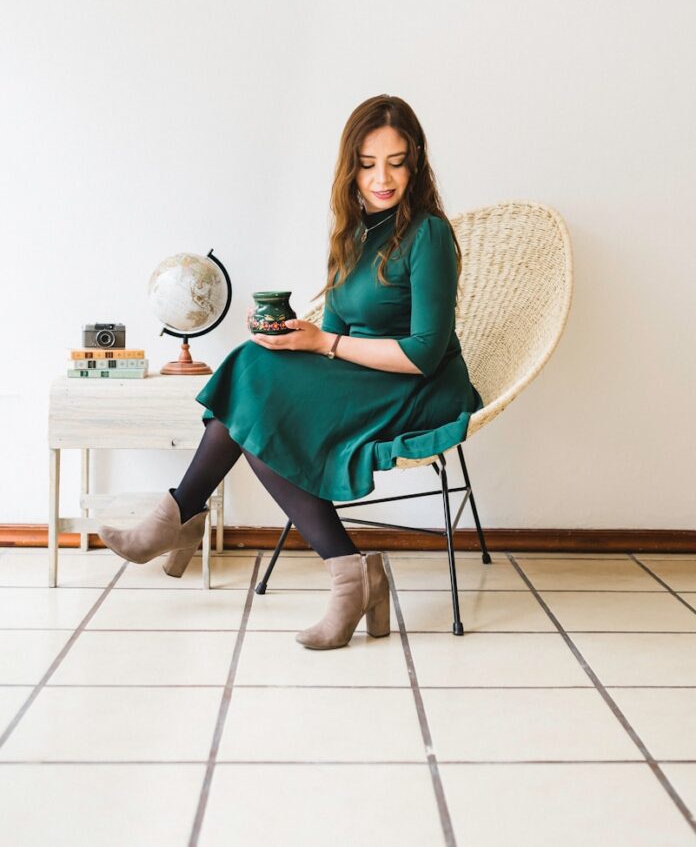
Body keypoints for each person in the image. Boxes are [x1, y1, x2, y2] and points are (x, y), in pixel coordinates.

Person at [98, 93, 483, 650]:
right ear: (350, 167)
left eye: (396, 162)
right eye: (369, 164)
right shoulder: (353, 234)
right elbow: (336, 327)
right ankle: (350, 574)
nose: (382, 178)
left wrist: (322, 343)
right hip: (362, 374)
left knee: (254, 396)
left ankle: (182, 514)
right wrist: (293, 339)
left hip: (417, 386)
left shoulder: (428, 235)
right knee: (256, 370)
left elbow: (423, 352)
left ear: (416, 162)